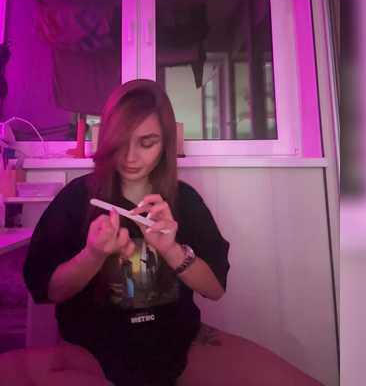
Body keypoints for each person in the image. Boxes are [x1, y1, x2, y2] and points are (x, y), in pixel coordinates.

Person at [22, 79, 230, 385]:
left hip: (175, 348)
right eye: (121, 141)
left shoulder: (185, 201)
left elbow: (215, 289)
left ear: (165, 143)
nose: (130, 157)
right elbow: (49, 291)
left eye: (147, 143)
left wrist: (172, 251)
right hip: (91, 353)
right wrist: (92, 255)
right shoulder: (76, 199)